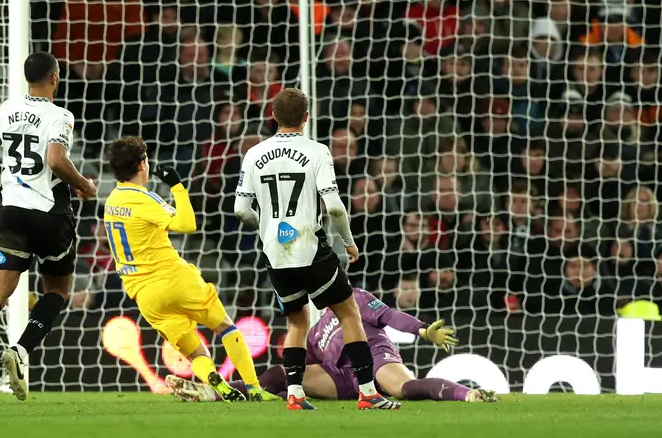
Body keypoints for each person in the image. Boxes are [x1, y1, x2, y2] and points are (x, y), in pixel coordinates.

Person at [233, 87, 399, 411]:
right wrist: (348, 242)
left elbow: (240, 210)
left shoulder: (253, 154)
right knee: (349, 312)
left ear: (273, 115)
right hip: (310, 246)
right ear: (306, 117)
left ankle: (295, 393)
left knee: (297, 321)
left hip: (275, 252)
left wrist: (266, 227)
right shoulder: (317, 151)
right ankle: (368, 392)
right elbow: (334, 206)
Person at [0, 52, 97, 407]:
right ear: (55, 77)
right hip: (49, 214)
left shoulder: (5, 110)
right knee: (57, 289)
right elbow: (55, 160)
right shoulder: (60, 116)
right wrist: (84, 185)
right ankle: (20, 350)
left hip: (11, 214)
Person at [101, 135, 277, 402]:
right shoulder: (144, 199)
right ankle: (254, 388)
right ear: (142, 164)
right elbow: (186, 224)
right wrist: (177, 187)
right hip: (175, 279)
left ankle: (216, 382)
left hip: (145, 294)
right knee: (225, 328)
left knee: (196, 354)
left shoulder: (111, 202)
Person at [167, 287, 497, 404]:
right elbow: (303, 362)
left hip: (374, 357)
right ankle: (215, 391)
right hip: (341, 377)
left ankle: (467, 394)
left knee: (403, 389)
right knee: (283, 377)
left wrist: (423, 330)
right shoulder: (313, 331)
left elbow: (390, 316)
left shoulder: (355, 298)